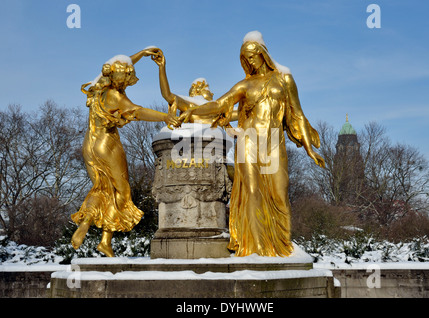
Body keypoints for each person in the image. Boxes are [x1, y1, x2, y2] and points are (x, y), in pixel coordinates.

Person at [179, 31, 324, 257]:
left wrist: (309, 148)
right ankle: (256, 248)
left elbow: (297, 115)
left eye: (253, 56)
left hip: (274, 142)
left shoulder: (284, 78)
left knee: (280, 194)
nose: (249, 62)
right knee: (252, 191)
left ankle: (283, 247)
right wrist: (191, 112)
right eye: (245, 58)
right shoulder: (244, 85)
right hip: (249, 141)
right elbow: (219, 104)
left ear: (263, 54)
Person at [71, 48, 179, 257]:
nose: (128, 82)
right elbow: (137, 111)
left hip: (89, 144)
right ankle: (100, 235)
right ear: (121, 79)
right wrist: (165, 117)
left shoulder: (99, 85)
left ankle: (94, 229)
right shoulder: (114, 96)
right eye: (127, 79)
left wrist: (142, 53)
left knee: (102, 188)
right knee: (122, 192)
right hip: (107, 144)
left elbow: (120, 62)